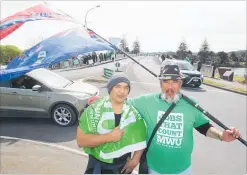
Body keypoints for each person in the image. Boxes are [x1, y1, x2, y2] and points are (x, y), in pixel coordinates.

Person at [89, 62, 241, 174]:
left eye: (175, 81)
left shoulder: (191, 105)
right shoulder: (146, 101)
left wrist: (222, 136)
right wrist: (101, 101)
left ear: (180, 83)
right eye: (166, 81)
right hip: (154, 169)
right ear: (160, 83)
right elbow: (122, 103)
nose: (170, 87)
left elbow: (204, 126)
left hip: (183, 170)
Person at [77, 75, 147, 174]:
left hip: (121, 166)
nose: (122, 91)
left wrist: (135, 159)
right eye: (118, 86)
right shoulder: (94, 110)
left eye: (126, 88)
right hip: (97, 165)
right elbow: (81, 141)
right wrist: (109, 137)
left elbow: (141, 137)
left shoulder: (133, 113)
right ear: (110, 89)